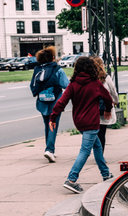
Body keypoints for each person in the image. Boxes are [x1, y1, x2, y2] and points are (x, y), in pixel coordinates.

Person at [49, 56, 114, 194]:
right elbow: (108, 97)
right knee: (85, 151)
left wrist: (53, 117)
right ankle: (71, 179)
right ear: (92, 68)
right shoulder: (95, 83)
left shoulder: (73, 84)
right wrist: (108, 109)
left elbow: (61, 101)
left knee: (96, 146)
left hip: (79, 122)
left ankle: (106, 174)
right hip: (91, 122)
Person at [29, 46, 69, 163]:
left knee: (47, 124)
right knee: (53, 124)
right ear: (52, 57)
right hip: (55, 99)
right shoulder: (57, 69)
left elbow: (33, 86)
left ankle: (50, 149)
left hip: (41, 100)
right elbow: (66, 84)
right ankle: (50, 150)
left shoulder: (37, 69)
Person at [91, 56, 119, 152]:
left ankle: (96, 151)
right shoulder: (106, 77)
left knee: (93, 133)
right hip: (103, 110)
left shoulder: (90, 78)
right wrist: (116, 101)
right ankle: (100, 153)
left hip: (92, 109)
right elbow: (113, 91)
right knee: (102, 132)